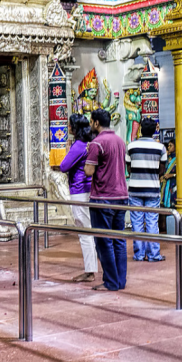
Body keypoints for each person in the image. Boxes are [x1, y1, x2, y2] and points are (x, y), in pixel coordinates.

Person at [83, 109, 128, 292]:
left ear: (95, 123)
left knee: (103, 241)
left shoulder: (97, 143)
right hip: (121, 196)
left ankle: (110, 281)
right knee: (119, 240)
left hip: (103, 197)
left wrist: (87, 156)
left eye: (91, 122)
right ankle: (120, 280)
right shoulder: (120, 141)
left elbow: (89, 171)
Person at [59, 114, 97, 283]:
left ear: (76, 128)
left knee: (84, 231)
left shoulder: (79, 146)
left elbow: (64, 166)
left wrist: (68, 151)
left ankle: (90, 271)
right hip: (88, 190)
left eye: (70, 125)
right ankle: (91, 268)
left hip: (80, 190)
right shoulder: (88, 144)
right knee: (87, 229)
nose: (68, 128)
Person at [126, 118, 168, 263]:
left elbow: (129, 169)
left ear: (141, 130)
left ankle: (139, 254)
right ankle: (153, 254)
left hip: (135, 190)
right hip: (152, 189)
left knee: (136, 222)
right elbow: (161, 171)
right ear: (155, 130)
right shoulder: (161, 148)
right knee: (152, 222)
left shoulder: (131, 146)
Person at [160, 140, 177, 215]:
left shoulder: (178, 159)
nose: (169, 147)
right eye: (168, 146)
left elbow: (181, 173)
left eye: (171, 145)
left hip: (173, 185)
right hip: (165, 184)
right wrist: (161, 176)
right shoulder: (167, 158)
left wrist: (172, 175)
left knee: (172, 206)